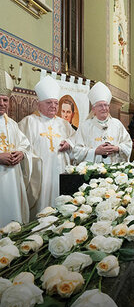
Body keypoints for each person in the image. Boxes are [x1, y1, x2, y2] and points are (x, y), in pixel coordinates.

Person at [19, 75, 75, 213]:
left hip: (60, 170)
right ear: (39, 105)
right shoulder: (28, 122)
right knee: (41, 207)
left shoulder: (64, 124)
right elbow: (21, 148)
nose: (53, 106)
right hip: (40, 174)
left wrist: (69, 143)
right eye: (49, 103)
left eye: (56, 103)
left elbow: (75, 141)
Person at [0, 70, 33, 225]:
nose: (2, 104)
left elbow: (24, 144)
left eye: (5, 100)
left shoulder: (12, 124)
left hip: (13, 180)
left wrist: (21, 153)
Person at [72, 82, 132, 165]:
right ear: (93, 109)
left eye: (106, 105)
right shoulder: (85, 126)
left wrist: (117, 148)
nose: (104, 108)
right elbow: (76, 151)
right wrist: (95, 151)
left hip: (115, 169)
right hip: (93, 170)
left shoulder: (117, 124)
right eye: (100, 105)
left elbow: (128, 144)